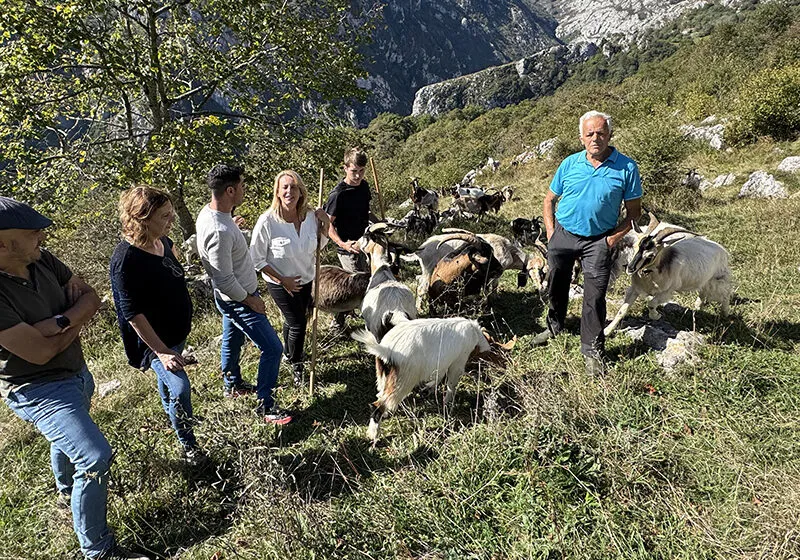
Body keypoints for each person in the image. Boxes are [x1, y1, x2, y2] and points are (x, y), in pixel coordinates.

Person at [0, 197, 149, 559]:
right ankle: (97, 549)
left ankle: (67, 492)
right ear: (3, 244)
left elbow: (91, 298)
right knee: (94, 457)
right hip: (37, 390)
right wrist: (74, 319)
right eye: (32, 232)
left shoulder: (40, 259)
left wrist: (58, 323)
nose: (42, 236)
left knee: (67, 439)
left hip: (76, 372)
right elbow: (39, 353)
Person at [533, 110, 643, 375]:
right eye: (590, 134)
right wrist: (551, 233)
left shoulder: (627, 168)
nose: (596, 138)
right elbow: (549, 199)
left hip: (599, 240)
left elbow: (634, 214)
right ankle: (554, 326)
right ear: (581, 138)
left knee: (595, 295)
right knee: (556, 284)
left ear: (610, 135)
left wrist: (610, 240)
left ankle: (592, 350)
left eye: (601, 133)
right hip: (563, 234)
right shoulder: (569, 164)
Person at [109, 186, 203, 464]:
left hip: (176, 333)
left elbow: (171, 264)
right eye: (164, 216)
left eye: (171, 214)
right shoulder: (126, 260)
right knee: (180, 389)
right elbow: (132, 313)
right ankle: (189, 445)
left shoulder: (162, 240)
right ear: (143, 219)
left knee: (169, 388)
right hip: (153, 343)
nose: (171, 220)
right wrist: (161, 352)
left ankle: (175, 417)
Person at [195, 164, 290, 425]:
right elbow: (224, 279)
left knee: (232, 339)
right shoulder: (220, 231)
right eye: (242, 186)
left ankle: (233, 384)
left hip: (230, 298)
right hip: (238, 299)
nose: (244, 190)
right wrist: (250, 300)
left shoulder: (211, 214)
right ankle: (266, 405)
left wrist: (233, 228)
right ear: (230, 191)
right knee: (273, 348)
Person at [250, 170, 330, 387]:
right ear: (277, 192)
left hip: (306, 278)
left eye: (294, 187)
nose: (289, 192)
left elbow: (319, 246)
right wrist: (282, 280)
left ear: (301, 191)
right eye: (284, 187)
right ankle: (297, 364)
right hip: (280, 283)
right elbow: (256, 259)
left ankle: (288, 353)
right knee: (298, 323)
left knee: (293, 319)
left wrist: (326, 224)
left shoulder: (311, 216)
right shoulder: (267, 221)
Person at [324, 147, 381, 328]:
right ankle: (337, 323)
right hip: (348, 247)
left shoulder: (364, 186)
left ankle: (356, 315)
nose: (358, 176)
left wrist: (380, 224)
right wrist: (343, 244)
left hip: (366, 243)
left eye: (361, 171)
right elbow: (327, 224)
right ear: (345, 168)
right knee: (356, 285)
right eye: (354, 171)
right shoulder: (337, 195)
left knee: (368, 280)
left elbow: (366, 212)